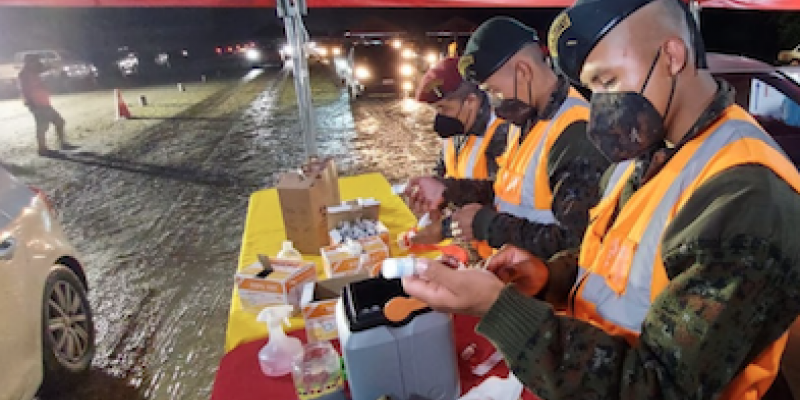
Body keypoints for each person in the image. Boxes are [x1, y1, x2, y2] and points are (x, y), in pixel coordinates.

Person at [402, 0, 800, 399]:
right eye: (592, 89)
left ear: (672, 56)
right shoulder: (647, 152)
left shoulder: (746, 196)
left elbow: (660, 387)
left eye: (608, 82)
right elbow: (607, 256)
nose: (600, 108)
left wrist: (501, 312)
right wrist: (550, 278)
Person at [405, 17, 609, 261]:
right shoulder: (524, 121)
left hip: (544, 294)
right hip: (510, 277)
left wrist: (489, 227)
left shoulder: (575, 131)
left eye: (495, 91)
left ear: (523, 71)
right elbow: (505, 193)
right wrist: (447, 189)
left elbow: (576, 243)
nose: (494, 104)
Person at [411, 57, 512, 247]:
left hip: (496, 252)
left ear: (471, 102)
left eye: (444, 108)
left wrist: (446, 223)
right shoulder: (456, 130)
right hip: (465, 244)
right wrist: (436, 202)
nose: (439, 117)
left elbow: (498, 194)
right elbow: (444, 169)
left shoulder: (502, 133)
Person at [18, 53, 75, 156]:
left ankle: (62, 144)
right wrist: (31, 103)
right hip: (37, 104)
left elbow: (44, 69)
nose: (38, 63)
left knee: (59, 122)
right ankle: (42, 149)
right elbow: (24, 90)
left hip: (44, 102)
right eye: (35, 61)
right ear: (29, 62)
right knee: (42, 127)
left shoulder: (33, 71)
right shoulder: (25, 74)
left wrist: (53, 66)